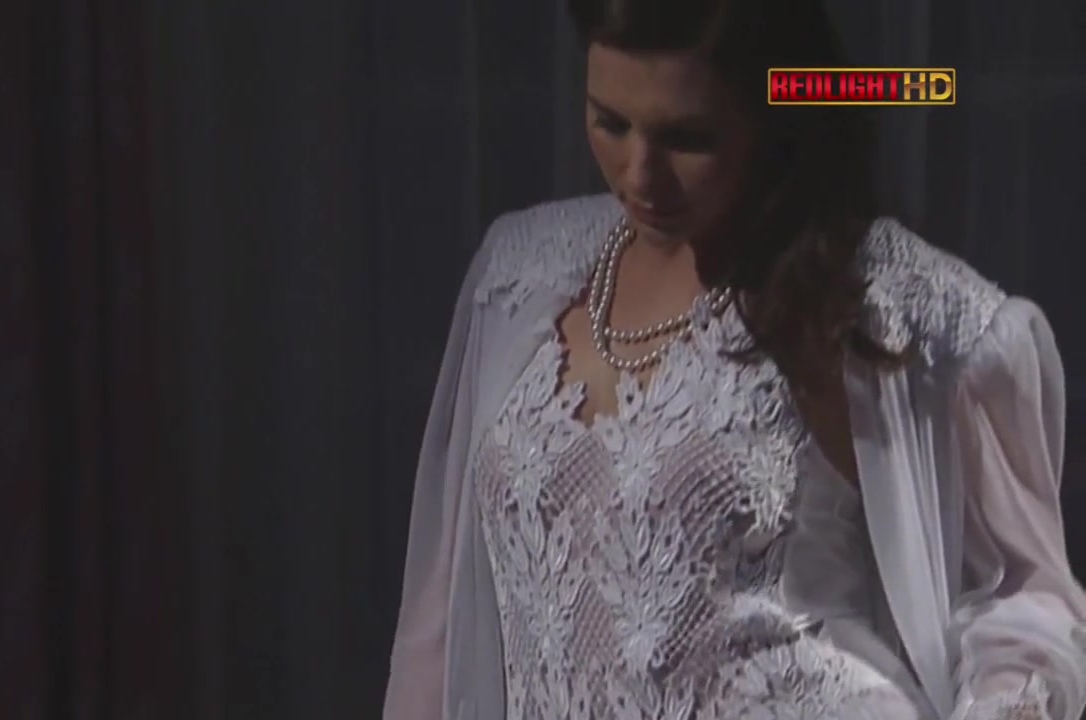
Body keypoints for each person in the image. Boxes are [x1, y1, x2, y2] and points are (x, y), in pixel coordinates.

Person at [383, 1, 1086, 718]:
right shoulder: (518, 275)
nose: (641, 174)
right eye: (611, 122)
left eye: (688, 138)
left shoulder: (887, 304)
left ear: (772, 114)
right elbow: (437, 621)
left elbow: (1024, 599)